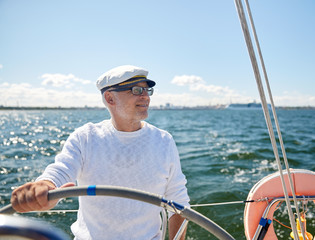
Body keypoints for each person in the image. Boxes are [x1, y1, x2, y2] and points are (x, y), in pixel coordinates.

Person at [11, 65, 190, 240]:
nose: (146, 97)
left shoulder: (163, 141)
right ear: (110, 98)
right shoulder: (86, 137)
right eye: (136, 90)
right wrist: (45, 185)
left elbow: (178, 201)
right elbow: (61, 170)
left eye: (147, 90)